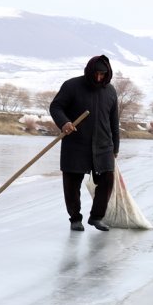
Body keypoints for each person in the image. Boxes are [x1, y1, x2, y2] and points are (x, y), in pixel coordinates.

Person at [50, 55, 120, 232]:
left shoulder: (110, 91)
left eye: (102, 75)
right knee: (72, 184)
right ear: (89, 71)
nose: (98, 78)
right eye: (96, 74)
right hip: (75, 144)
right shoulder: (71, 86)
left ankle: (96, 217)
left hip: (103, 145)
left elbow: (114, 122)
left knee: (107, 180)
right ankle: (75, 218)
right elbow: (56, 107)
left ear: (107, 74)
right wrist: (64, 122)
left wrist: (116, 147)